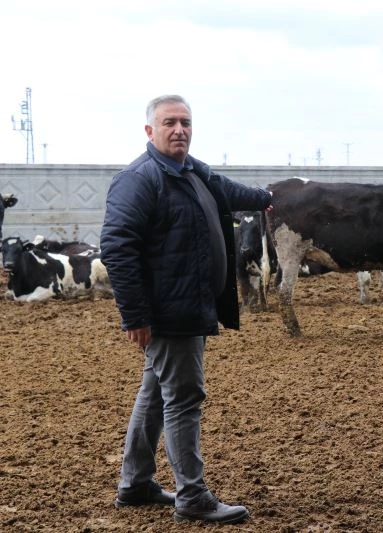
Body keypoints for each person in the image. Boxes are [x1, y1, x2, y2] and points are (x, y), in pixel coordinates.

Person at [101, 95, 272, 525]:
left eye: (186, 122)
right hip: (168, 312)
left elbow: (230, 192)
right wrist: (135, 315)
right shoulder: (140, 180)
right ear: (149, 131)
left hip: (190, 305)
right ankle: (192, 496)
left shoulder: (192, 170)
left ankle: (136, 483)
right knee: (183, 398)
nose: (180, 130)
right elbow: (117, 249)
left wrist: (270, 196)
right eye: (169, 123)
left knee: (156, 394)